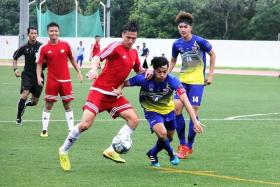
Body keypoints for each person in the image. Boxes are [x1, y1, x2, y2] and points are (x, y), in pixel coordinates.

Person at [58, 21, 152, 171]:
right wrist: (94, 70)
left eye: (134, 38)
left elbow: (138, 69)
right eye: (128, 37)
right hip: (99, 92)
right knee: (85, 125)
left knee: (134, 120)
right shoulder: (116, 47)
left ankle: (111, 150)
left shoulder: (134, 53)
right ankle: (63, 151)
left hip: (115, 95)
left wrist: (147, 71)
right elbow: (97, 58)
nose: (131, 41)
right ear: (122, 35)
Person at [118, 56, 204, 167]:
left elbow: (185, 100)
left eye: (165, 71)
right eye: (159, 72)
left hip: (169, 112)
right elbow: (125, 83)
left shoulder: (173, 80)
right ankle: (171, 154)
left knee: (169, 138)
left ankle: (152, 153)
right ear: (153, 69)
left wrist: (195, 120)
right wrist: (119, 89)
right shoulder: (144, 79)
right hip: (152, 111)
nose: (162, 74)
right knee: (162, 134)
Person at [168, 12, 216, 159]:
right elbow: (173, 60)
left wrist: (210, 75)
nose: (182, 29)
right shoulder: (177, 44)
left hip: (197, 82)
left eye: (185, 27)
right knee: (176, 110)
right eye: (180, 27)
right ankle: (182, 144)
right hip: (182, 80)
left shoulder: (200, 41)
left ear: (191, 28)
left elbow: (212, 54)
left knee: (193, 113)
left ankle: (189, 146)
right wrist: (165, 75)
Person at [36, 22, 83, 137]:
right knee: (48, 105)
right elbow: (39, 64)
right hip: (52, 81)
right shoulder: (44, 48)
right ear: (48, 32)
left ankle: (71, 129)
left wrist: (79, 72)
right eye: (51, 31)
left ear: (59, 32)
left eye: (56, 31)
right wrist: (38, 76)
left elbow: (72, 59)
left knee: (67, 104)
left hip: (66, 80)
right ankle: (44, 130)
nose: (54, 33)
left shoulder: (66, 45)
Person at [12, 26, 45, 126]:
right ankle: (18, 117)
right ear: (28, 35)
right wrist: (15, 69)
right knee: (25, 93)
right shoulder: (24, 47)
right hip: (27, 74)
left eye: (35, 33)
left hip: (39, 75)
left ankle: (24, 105)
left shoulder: (42, 47)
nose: (33, 35)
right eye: (31, 33)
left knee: (35, 102)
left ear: (37, 35)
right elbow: (14, 58)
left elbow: (48, 59)